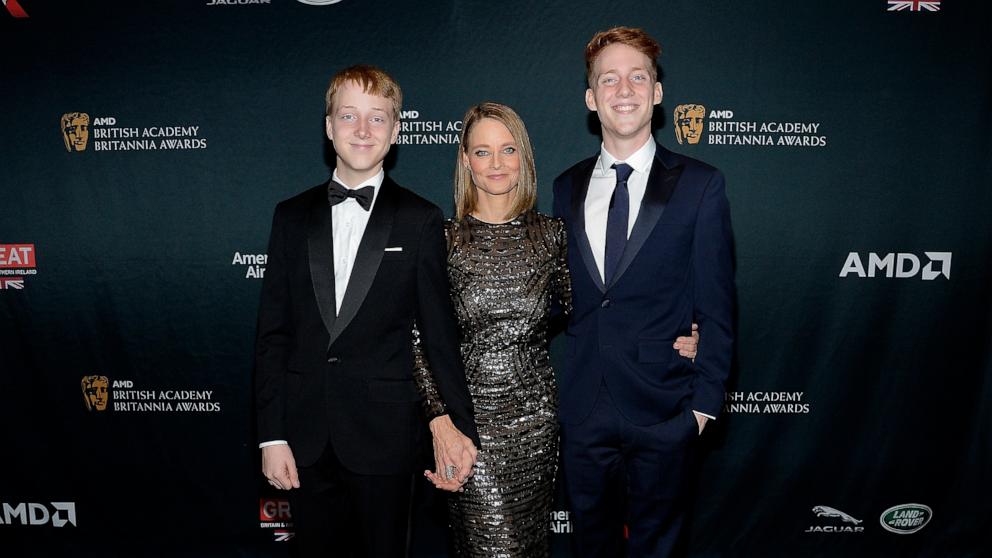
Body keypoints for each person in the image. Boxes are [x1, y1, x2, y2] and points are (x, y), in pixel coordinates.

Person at [414, 102, 699, 557]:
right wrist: (441, 421)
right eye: (482, 152)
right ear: (465, 160)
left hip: (536, 420)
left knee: (528, 548)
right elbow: (421, 338)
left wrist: (680, 328)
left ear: (523, 157)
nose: (496, 163)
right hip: (468, 423)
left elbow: (602, 306)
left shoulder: (552, 236)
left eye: (507, 150)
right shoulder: (442, 240)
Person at [254, 65, 479, 558]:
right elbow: (274, 333)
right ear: (328, 126)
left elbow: (438, 335)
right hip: (305, 439)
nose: (362, 130)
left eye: (377, 119)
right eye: (349, 116)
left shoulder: (421, 219)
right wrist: (271, 435)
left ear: (396, 132)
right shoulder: (290, 217)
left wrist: (460, 429)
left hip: (387, 437)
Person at [552, 27, 735, 557]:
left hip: (666, 405)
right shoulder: (567, 186)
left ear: (657, 92)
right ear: (591, 98)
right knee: (592, 547)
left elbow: (718, 305)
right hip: (585, 406)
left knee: (660, 548)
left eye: (638, 76)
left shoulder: (701, 183)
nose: (624, 89)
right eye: (609, 79)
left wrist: (703, 404)